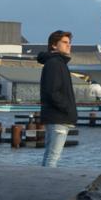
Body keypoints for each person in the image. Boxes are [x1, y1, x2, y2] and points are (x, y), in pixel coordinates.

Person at [38, 30, 77, 167]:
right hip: (58, 117)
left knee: (51, 154)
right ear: (54, 45)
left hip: (57, 117)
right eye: (65, 42)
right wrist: (66, 107)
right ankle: (47, 184)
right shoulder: (55, 64)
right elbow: (52, 91)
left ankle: (44, 182)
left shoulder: (58, 63)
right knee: (53, 156)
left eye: (69, 43)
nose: (69, 46)